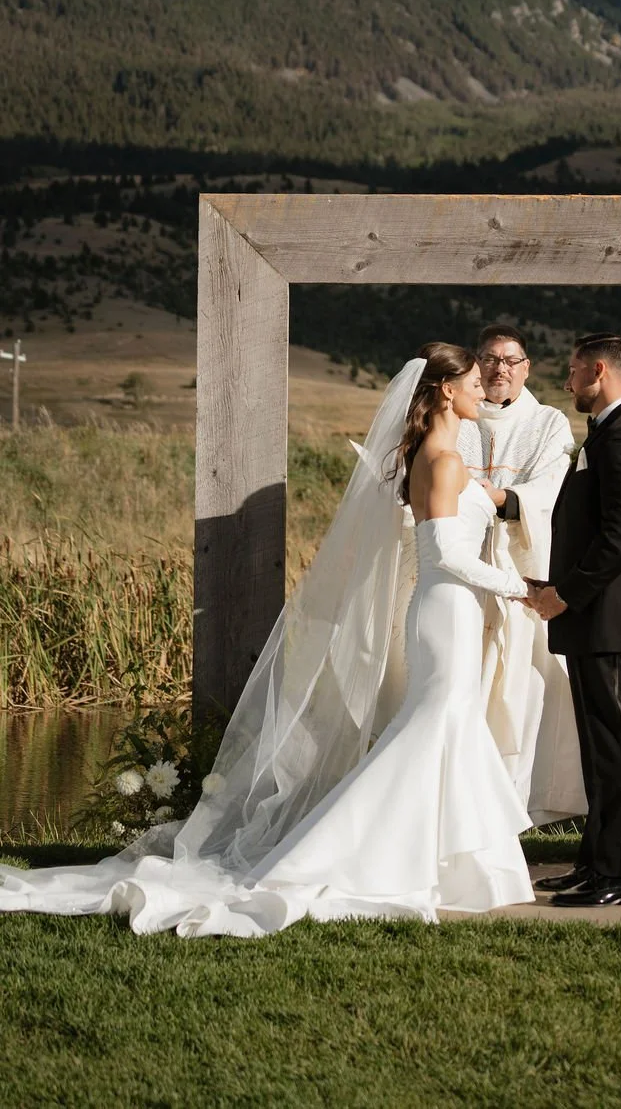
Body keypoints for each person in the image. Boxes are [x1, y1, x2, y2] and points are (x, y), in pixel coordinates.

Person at [0, 344, 535, 936]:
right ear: (444, 392)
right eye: (471, 380)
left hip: (445, 609)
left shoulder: (431, 458)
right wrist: (521, 587)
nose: (484, 386)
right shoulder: (446, 462)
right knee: (432, 727)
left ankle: (455, 866)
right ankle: (347, 851)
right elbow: (444, 554)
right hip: (446, 610)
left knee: (446, 727)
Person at [525, 334, 621, 908]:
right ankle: (596, 865)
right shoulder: (609, 431)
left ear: (600, 371)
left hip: (607, 617)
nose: (567, 381)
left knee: (620, 749)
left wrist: (566, 596)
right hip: (593, 616)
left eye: (574, 370)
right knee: (598, 748)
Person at [457, 325, 586, 826]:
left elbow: (551, 487)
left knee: (528, 685)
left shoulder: (548, 422)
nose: (500, 370)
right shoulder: (455, 416)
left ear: (527, 368)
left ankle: (523, 802)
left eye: (511, 361)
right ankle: (466, 802)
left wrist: (500, 501)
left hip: (523, 567)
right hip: (466, 568)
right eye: (490, 360)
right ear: (476, 364)